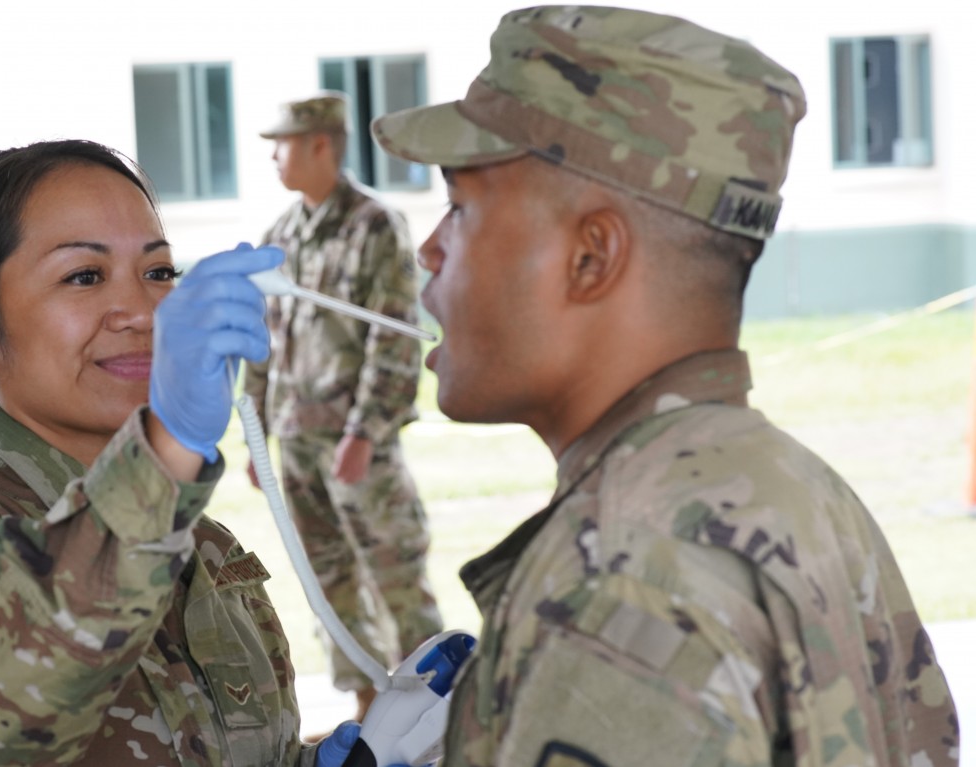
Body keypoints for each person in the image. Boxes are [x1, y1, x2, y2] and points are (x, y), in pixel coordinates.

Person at [369, 6, 959, 766]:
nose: (429, 250)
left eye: (459, 208)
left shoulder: (618, 577)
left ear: (591, 257)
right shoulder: (795, 488)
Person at [0, 139, 370, 767]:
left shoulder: (192, 537)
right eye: (84, 276)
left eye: (159, 272)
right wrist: (164, 456)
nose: (140, 310)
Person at [245, 92, 442, 719]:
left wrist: (365, 431)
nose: (274, 156)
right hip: (296, 442)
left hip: (358, 444)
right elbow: (261, 341)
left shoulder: (374, 226)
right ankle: (368, 711)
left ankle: (440, 711)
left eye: (283, 144)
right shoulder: (280, 235)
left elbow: (392, 335)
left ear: (322, 145)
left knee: (395, 575)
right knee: (328, 582)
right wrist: (257, 435)